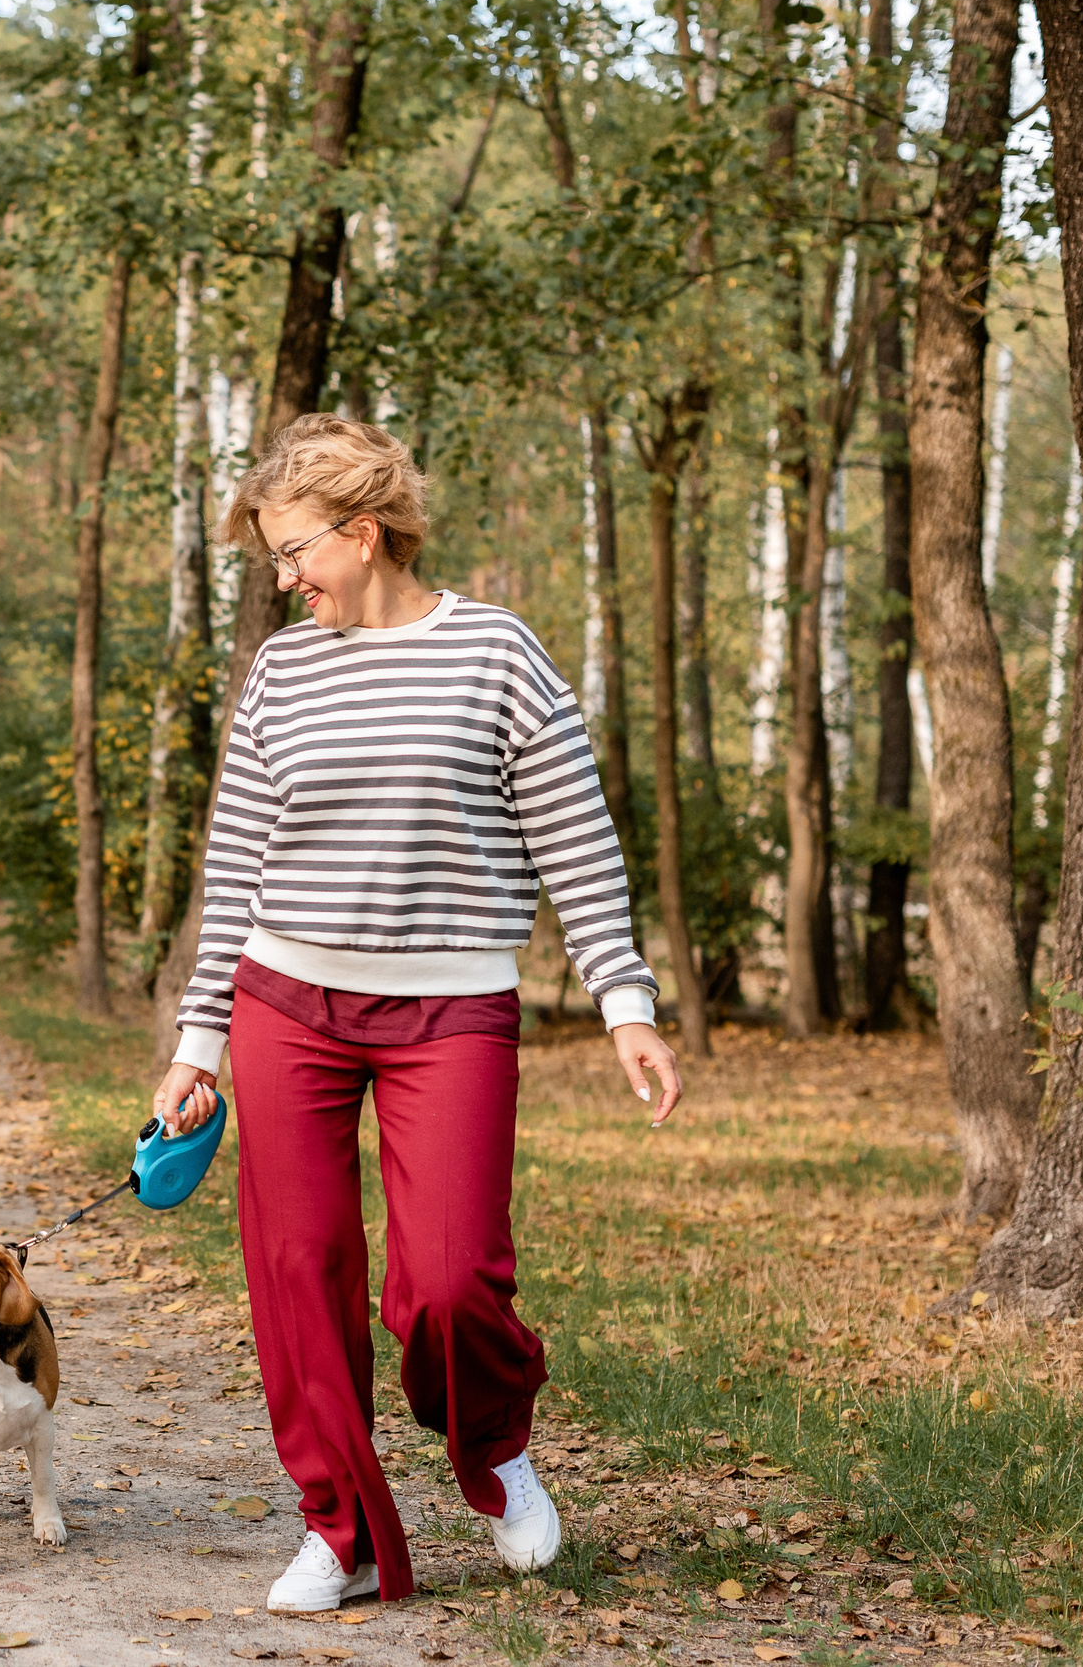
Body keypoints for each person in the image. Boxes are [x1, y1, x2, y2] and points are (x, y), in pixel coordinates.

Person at [149, 415, 682, 1613]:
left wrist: (624, 1001)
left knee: (449, 1280)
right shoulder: (282, 669)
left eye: (294, 550)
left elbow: (575, 836)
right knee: (298, 1271)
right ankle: (337, 1527)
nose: (284, 576)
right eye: (273, 557)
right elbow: (234, 863)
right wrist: (198, 1041)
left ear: (365, 531)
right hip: (286, 1001)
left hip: (451, 1009)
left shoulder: (495, 652)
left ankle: (490, 1446)